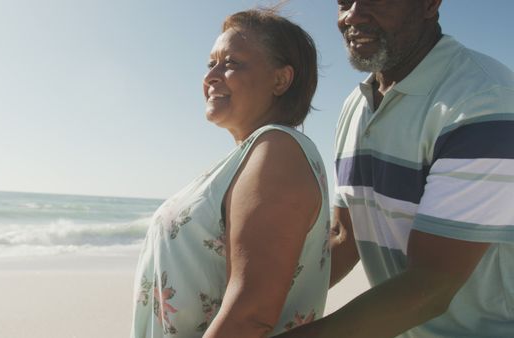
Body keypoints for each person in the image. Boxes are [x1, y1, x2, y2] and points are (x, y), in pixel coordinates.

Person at [277, 0, 514, 337]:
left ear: (430, 5)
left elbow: (432, 285)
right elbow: (346, 237)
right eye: (344, 2)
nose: (353, 16)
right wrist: (256, 309)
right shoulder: (355, 105)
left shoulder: (482, 99)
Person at [131, 8, 332, 338]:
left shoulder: (276, 151)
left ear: (281, 79)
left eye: (231, 63)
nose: (211, 76)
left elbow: (250, 315)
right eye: (211, 63)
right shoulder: (252, 155)